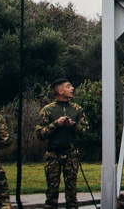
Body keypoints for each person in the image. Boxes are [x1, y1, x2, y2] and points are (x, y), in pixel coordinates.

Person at [34, 78, 89, 209]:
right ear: (60, 91)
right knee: (52, 189)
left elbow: (84, 131)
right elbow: (39, 134)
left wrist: (73, 125)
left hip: (70, 153)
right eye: (68, 86)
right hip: (53, 154)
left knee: (71, 189)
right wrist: (55, 124)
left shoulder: (77, 109)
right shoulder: (47, 110)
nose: (72, 88)